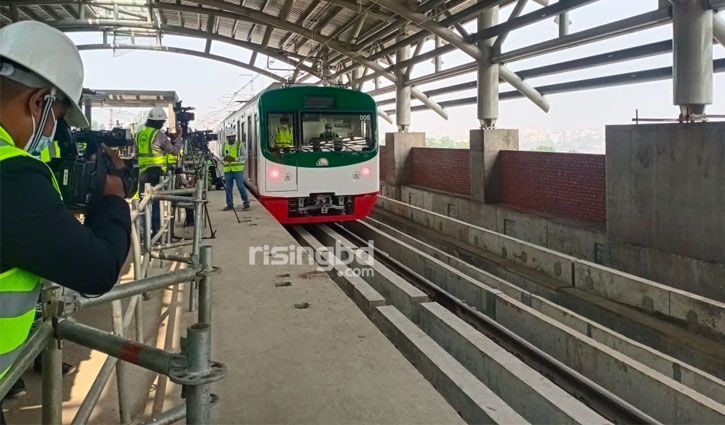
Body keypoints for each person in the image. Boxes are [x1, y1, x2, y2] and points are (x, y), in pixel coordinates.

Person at [0, 21, 131, 423]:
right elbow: (96, 269)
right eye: (57, 116)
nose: (55, 130)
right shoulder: (11, 175)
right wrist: (111, 196)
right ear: (38, 102)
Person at [135, 107, 181, 235]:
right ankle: (155, 232)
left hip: (142, 173)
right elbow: (174, 151)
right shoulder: (158, 135)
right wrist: (178, 137)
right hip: (155, 174)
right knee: (155, 203)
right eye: (162, 122)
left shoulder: (140, 134)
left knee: (143, 202)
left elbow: (136, 153)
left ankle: (143, 233)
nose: (163, 124)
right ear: (158, 122)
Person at [222, 134, 249, 211]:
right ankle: (230, 205)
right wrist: (224, 158)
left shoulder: (239, 144)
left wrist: (235, 159)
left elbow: (245, 156)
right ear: (227, 137)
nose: (231, 138)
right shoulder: (224, 145)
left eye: (233, 136)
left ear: (235, 137)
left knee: (240, 186)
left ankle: (246, 203)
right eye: (229, 137)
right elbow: (221, 155)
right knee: (228, 188)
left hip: (237, 170)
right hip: (228, 170)